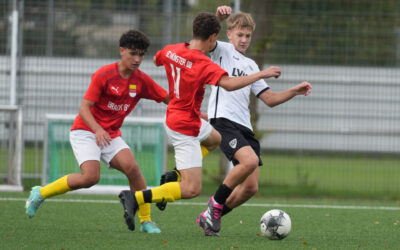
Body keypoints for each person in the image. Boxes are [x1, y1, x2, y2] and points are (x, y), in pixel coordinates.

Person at [118, 12, 281, 234]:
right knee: (191, 189)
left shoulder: (171, 50)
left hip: (186, 117)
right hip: (184, 126)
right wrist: (262, 73)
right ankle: (136, 196)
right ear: (214, 36)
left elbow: (157, 60)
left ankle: (174, 175)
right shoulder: (204, 64)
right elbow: (230, 85)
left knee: (215, 139)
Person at [25, 30, 168, 234]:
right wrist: (98, 129)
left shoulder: (142, 81)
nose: (137, 59)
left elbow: (168, 99)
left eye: (141, 54)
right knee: (91, 178)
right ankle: (41, 192)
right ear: (121, 50)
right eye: (133, 54)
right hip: (85, 130)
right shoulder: (104, 75)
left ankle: (146, 221)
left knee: (133, 168)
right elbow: (84, 108)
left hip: (110, 134)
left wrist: (193, 107)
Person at [194, 6, 312, 236]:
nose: (244, 39)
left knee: (250, 187)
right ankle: (214, 207)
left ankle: (208, 217)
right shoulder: (222, 51)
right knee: (248, 162)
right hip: (223, 122)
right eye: (240, 34)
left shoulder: (251, 66)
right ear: (229, 34)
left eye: (248, 35)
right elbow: (206, 38)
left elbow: (269, 99)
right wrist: (218, 17)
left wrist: (294, 91)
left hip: (244, 128)